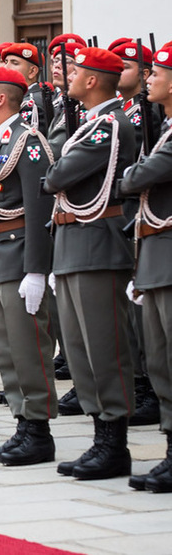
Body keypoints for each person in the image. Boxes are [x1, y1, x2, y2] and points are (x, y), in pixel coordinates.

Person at [44, 46, 136, 481]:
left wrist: (56, 169)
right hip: (73, 242)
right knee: (81, 352)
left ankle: (114, 444)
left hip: (97, 245)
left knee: (105, 348)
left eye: (78, 70)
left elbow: (57, 176)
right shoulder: (91, 123)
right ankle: (101, 436)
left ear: (94, 79)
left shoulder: (109, 125)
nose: (70, 76)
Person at [0, 66, 58, 466]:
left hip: (17, 254)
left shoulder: (29, 143)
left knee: (28, 347)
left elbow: (41, 207)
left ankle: (38, 430)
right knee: (6, 349)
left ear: (2, 99)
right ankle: (23, 423)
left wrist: (37, 269)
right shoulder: (0, 141)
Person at [122, 45, 172, 492]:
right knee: (158, 357)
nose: (149, 78)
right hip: (155, 253)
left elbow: (138, 177)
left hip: (168, 256)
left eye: (157, 72)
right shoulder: (164, 128)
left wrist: (133, 173)